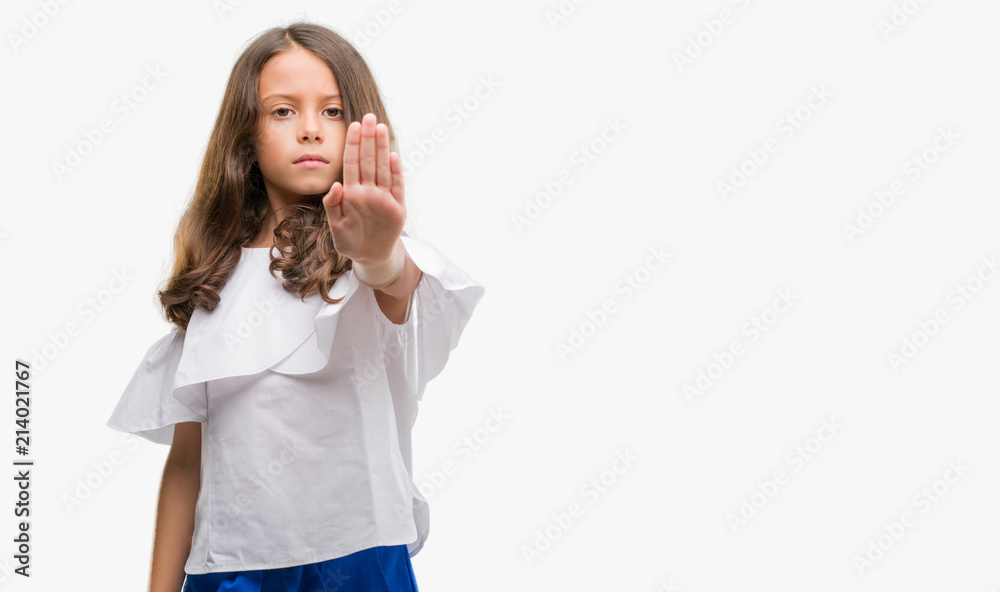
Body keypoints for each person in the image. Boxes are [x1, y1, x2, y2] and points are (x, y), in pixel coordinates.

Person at [105, 21, 485, 592]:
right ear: (246, 135)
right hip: (231, 568)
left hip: (360, 560)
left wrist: (377, 250)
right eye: (283, 111)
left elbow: (395, 287)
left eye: (332, 112)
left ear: (359, 126)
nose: (310, 129)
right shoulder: (214, 282)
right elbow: (187, 464)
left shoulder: (370, 261)